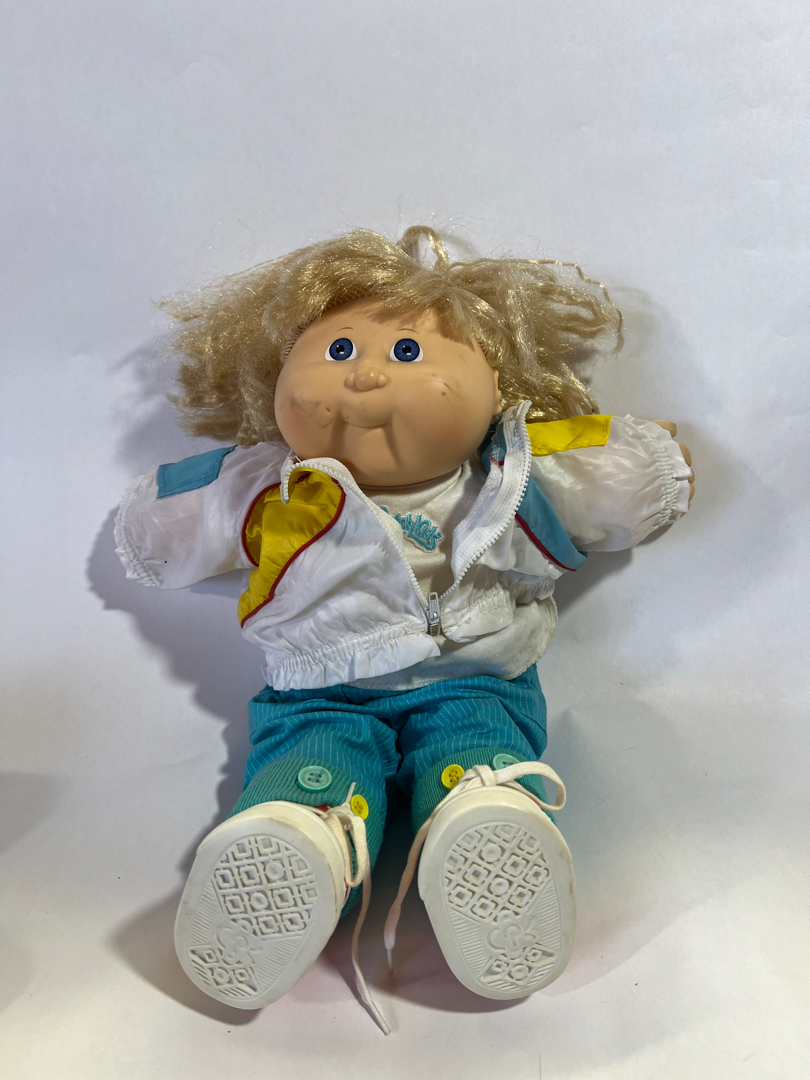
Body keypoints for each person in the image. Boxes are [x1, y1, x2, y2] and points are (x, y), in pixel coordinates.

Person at [115, 226, 694, 1032]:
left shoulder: (513, 473)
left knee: (479, 752)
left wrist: (650, 466)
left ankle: (481, 818)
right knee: (311, 762)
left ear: (494, 381)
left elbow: (598, 473)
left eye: (409, 354)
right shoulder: (270, 486)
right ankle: (302, 835)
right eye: (338, 351)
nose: (366, 375)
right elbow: (179, 514)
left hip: (473, 680)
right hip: (322, 692)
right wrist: (149, 527)